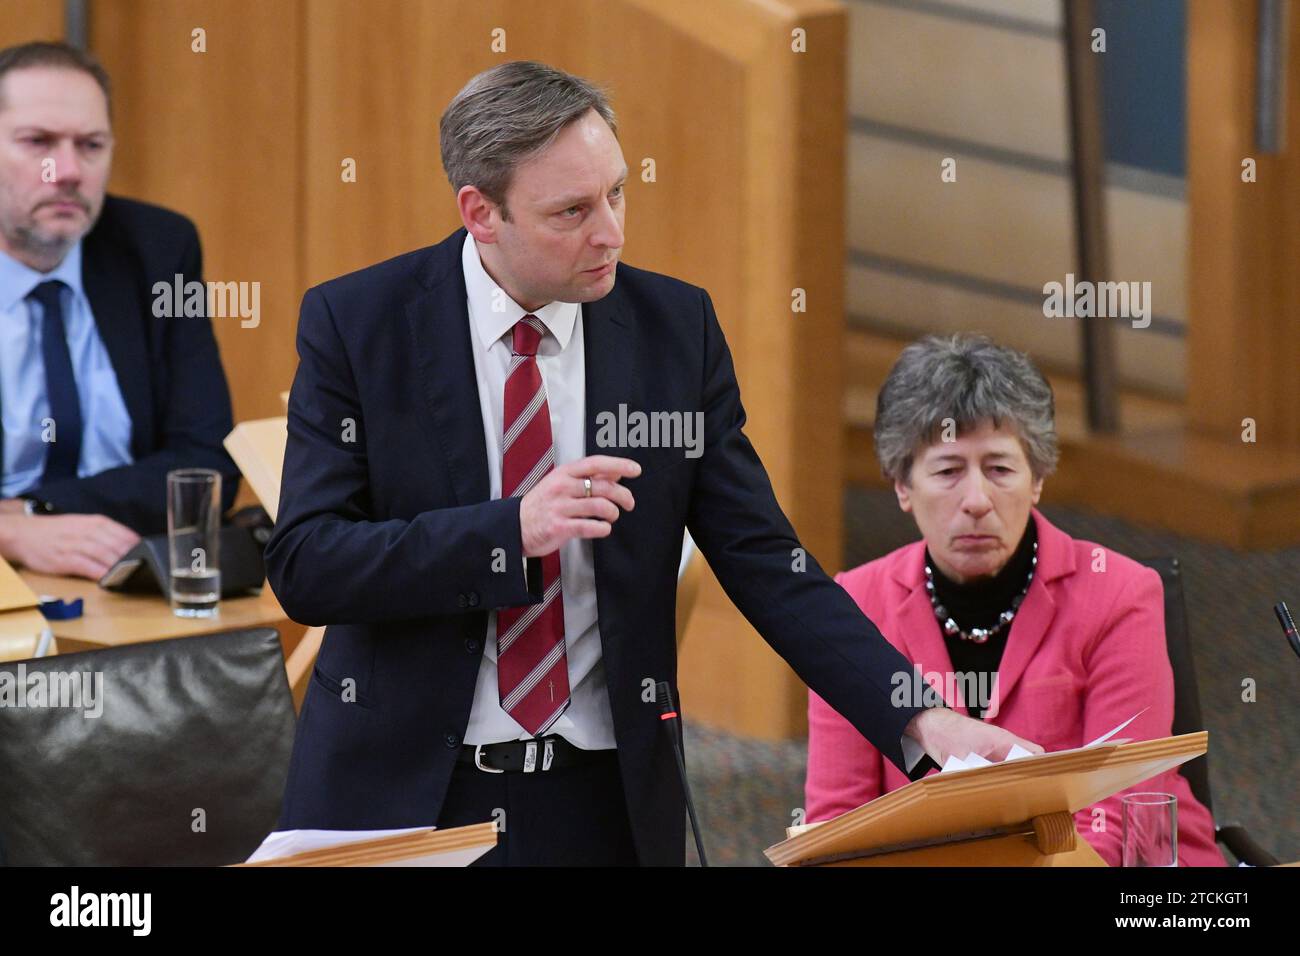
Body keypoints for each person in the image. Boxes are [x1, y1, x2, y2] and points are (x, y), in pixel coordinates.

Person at [265, 61, 1039, 866]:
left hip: (604, 796)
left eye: (617, 193)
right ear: (481, 213)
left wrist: (920, 718)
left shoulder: (675, 331)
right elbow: (307, 564)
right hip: (408, 795)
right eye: (572, 211)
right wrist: (509, 531)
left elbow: (766, 562)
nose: (611, 233)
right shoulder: (359, 324)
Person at [805, 333, 1226, 866]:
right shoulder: (855, 606)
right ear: (902, 486)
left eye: (1001, 469)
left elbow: (1121, 821)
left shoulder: (1119, 593)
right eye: (948, 470)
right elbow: (836, 825)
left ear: (1038, 481)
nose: (977, 501)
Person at [0, 42, 238, 581]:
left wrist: (39, 511)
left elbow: (205, 465)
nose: (67, 170)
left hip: (113, 578)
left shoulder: (158, 249)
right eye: (38, 142)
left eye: (91, 145)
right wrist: (11, 534)